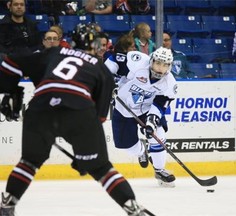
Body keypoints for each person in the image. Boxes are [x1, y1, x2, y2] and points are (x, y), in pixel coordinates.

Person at [0, 45, 153, 216]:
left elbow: (12, 61)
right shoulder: (100, 67)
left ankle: (8, 203)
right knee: (101, 168)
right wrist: (85, 154)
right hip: (79, 110)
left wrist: (8, 91)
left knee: (29, 162)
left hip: (41, 107)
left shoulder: (54, 52)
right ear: (95, 49)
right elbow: (99, 118)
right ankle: (133, 208)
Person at [105, 46, 178, 187]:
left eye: (164, 65)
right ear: (151, 60)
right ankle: (142, 151)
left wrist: (151, 123)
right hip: (123, 107)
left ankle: (159, 170)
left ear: (169, 66)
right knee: (128, 147)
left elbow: (160, 105)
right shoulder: (137, 62)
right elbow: (113, 60)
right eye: (157, 63)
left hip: (147, 110)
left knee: (158, 136)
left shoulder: (170, 83)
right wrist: (108, 81)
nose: (160, 68)